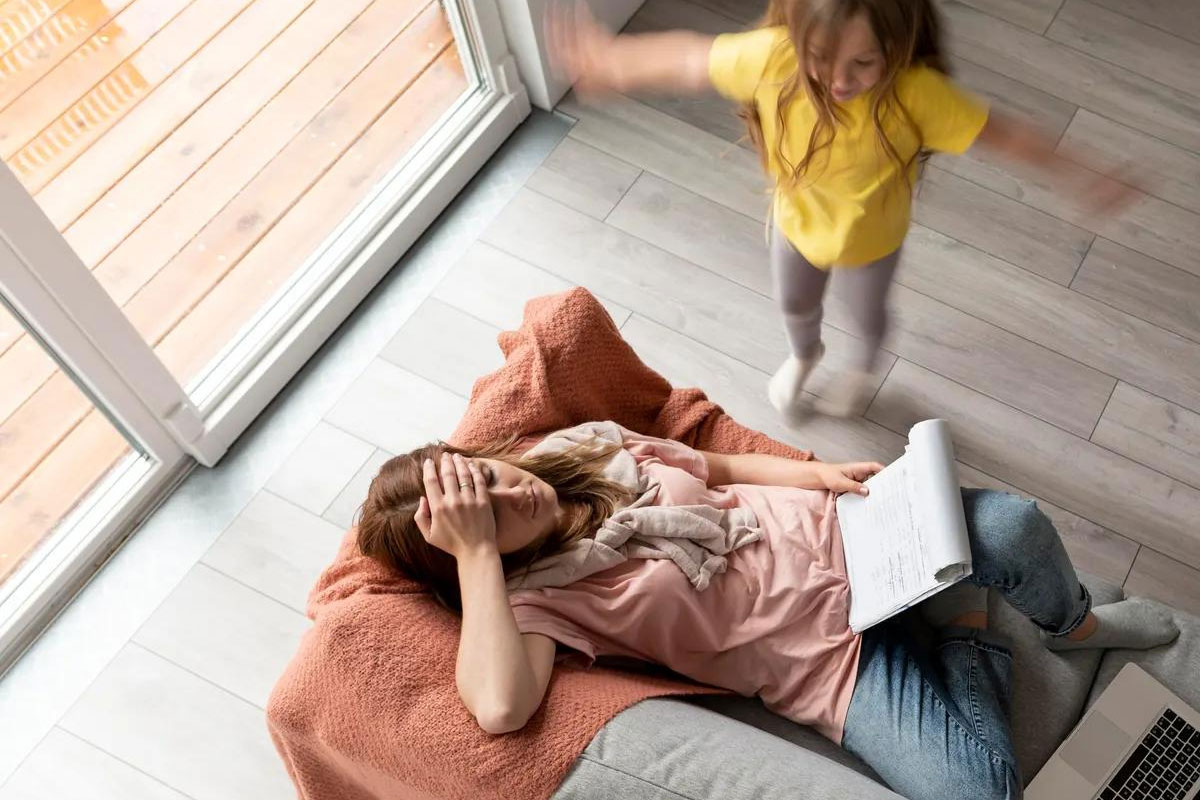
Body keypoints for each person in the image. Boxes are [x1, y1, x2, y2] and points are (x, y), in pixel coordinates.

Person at [357, 426, 1179, 800]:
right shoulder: (538, 602)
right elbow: (500, 708)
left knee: (1015, 525)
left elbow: (709, 463)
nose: (514, 489)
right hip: (826, 664)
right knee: (977, 792)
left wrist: (812, 478)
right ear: (476, 557)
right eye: (487, 514)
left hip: (859, 542)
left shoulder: (580, 448)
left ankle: (1074, 625)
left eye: (488, 475)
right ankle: (964, 632)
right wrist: (473, 560)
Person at [544, 0, 1132, 418]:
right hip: (796, 227)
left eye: (864, 64)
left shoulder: (916, 94)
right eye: (821, 58)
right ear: (797, 38)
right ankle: (807, 354)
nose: (839, 81)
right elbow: (690, 59)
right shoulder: (772, 59)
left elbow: (1002, 135)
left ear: (896, 52)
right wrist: (616, 60)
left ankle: (861, 366)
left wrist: (1079, 172)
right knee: (794, 303)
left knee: (868, 315)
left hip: (871, 242)